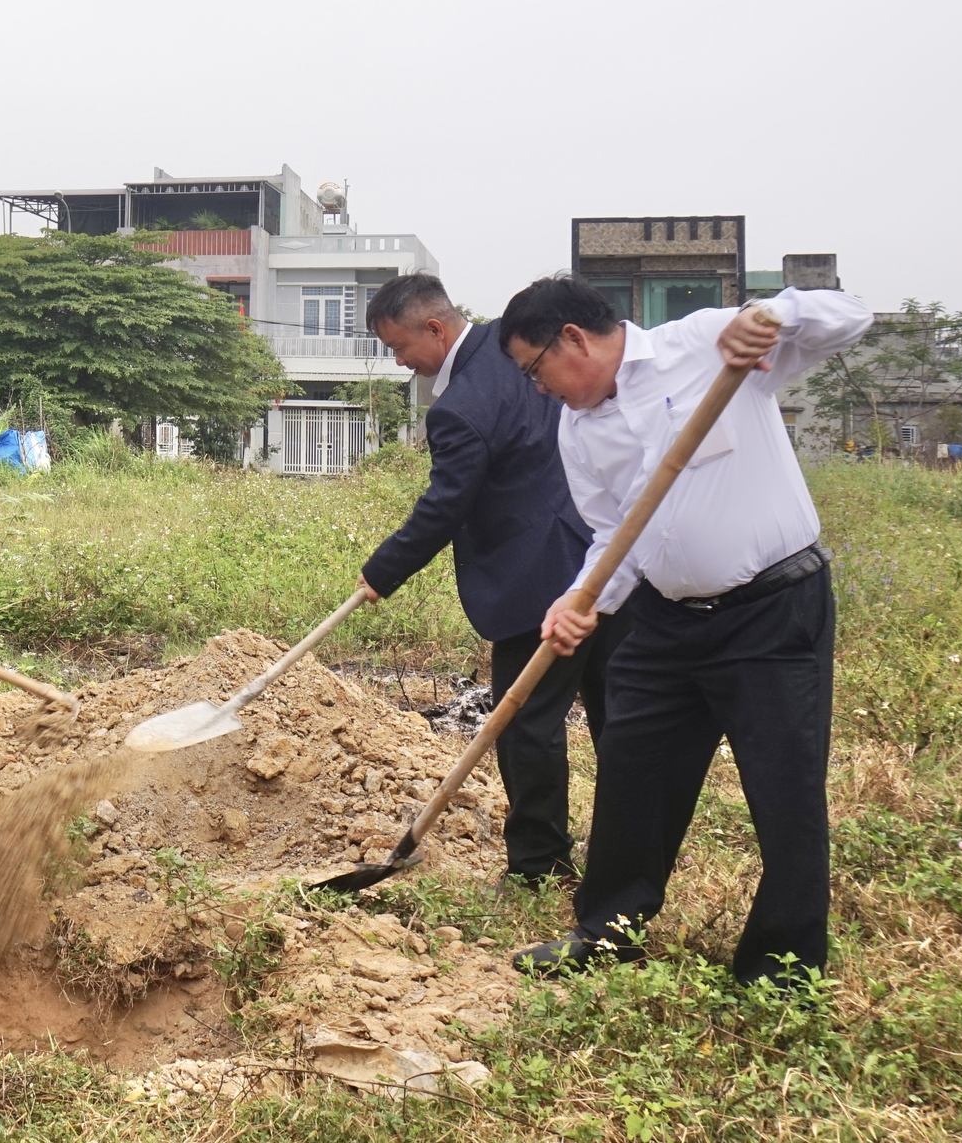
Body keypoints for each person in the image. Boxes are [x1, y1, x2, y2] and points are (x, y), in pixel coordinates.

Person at [499, 274, 871, 985]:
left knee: (784, 790)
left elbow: (851, 316)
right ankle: (608, 929)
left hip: (771, 610)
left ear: (571, 338)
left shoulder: (703, 344)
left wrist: (772, 314)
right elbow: (613, 533)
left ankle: (781, 971)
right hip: (666, 622)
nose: (536, 388)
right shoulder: (577, 428)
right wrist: (582, 599)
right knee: (634, 774)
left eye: (534, 369)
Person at [355, 273, 627, 889]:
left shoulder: (461, 404)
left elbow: (445, 505)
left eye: (400, 348)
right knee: (619, 722)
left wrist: (382, 571)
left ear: (435, 328)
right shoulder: (520, 354)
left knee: (526, 725)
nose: (401, 363)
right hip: (605, 562)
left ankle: (539, 865)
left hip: (539, 586)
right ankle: (623, 859)